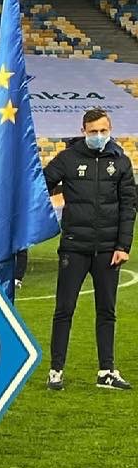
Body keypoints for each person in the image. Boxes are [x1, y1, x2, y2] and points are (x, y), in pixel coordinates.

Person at [42, 108, 134, 391]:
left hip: (108, 251)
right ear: (83, 130)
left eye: (103, 131)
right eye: (93, 132)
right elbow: (39, 186)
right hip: (74, 248)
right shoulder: (67, 159)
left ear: (110, 129)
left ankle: (106, 371)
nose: (98, 136)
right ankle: (56, 370)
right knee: (64, 309)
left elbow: (129, 205)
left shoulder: (120, 161)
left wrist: (123, 246)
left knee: (107, 311)